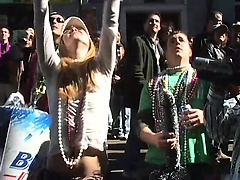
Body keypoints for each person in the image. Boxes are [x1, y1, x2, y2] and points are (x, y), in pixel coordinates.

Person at [33, 0, 120, 179]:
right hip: (56, 172)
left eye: (80, 29)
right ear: (61, 44)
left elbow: (111, 24)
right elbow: (41, 23)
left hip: (94, 172)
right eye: (68, 30)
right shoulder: (54, 70)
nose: (73, 30)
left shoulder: (101, 68)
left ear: (90, 42)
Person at [135, 31, 214, 179]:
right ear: (165, 53)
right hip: (159, 161)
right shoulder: (153, 84)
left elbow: (223, 112)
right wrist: (153, 138)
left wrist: (205, 116)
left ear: (190, 51)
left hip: (197, 160)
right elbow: (140, 121)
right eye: (171, 41)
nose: (177, 43)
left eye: (181, 40)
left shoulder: (204, 80)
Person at [123, 11, 165, 176]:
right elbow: (135, 70)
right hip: (141, 95)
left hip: (156, 94)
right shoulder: (138, 42)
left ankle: (147, 165)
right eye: (151, 21)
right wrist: (148, 91)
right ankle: (128, 168)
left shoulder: (160, 47)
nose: (154, 23)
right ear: (144, 25)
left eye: (157, 21)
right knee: (137, 131)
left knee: (148, 131)